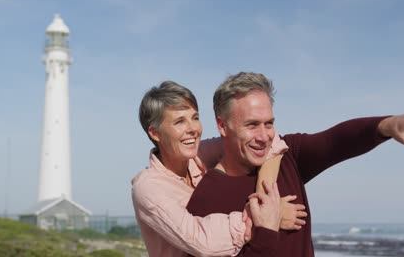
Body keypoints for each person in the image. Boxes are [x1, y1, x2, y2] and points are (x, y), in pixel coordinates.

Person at [186, 72, 404, 256]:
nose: (264, 136)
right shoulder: (205, 201)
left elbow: (336, 140)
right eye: (252, 125)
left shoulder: (287, 155)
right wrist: (265, 226)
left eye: (269, 123)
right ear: (223, 125)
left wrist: (390, 125)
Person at [132, 81, 307, 257]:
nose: (193, 129)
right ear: (155, 133)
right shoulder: (147, 187)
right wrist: (265, 217)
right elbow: (200, 240)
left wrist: (264, 196)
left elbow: (266, 141)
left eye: (195, 118)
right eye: (179, 122)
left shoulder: (201, 153)